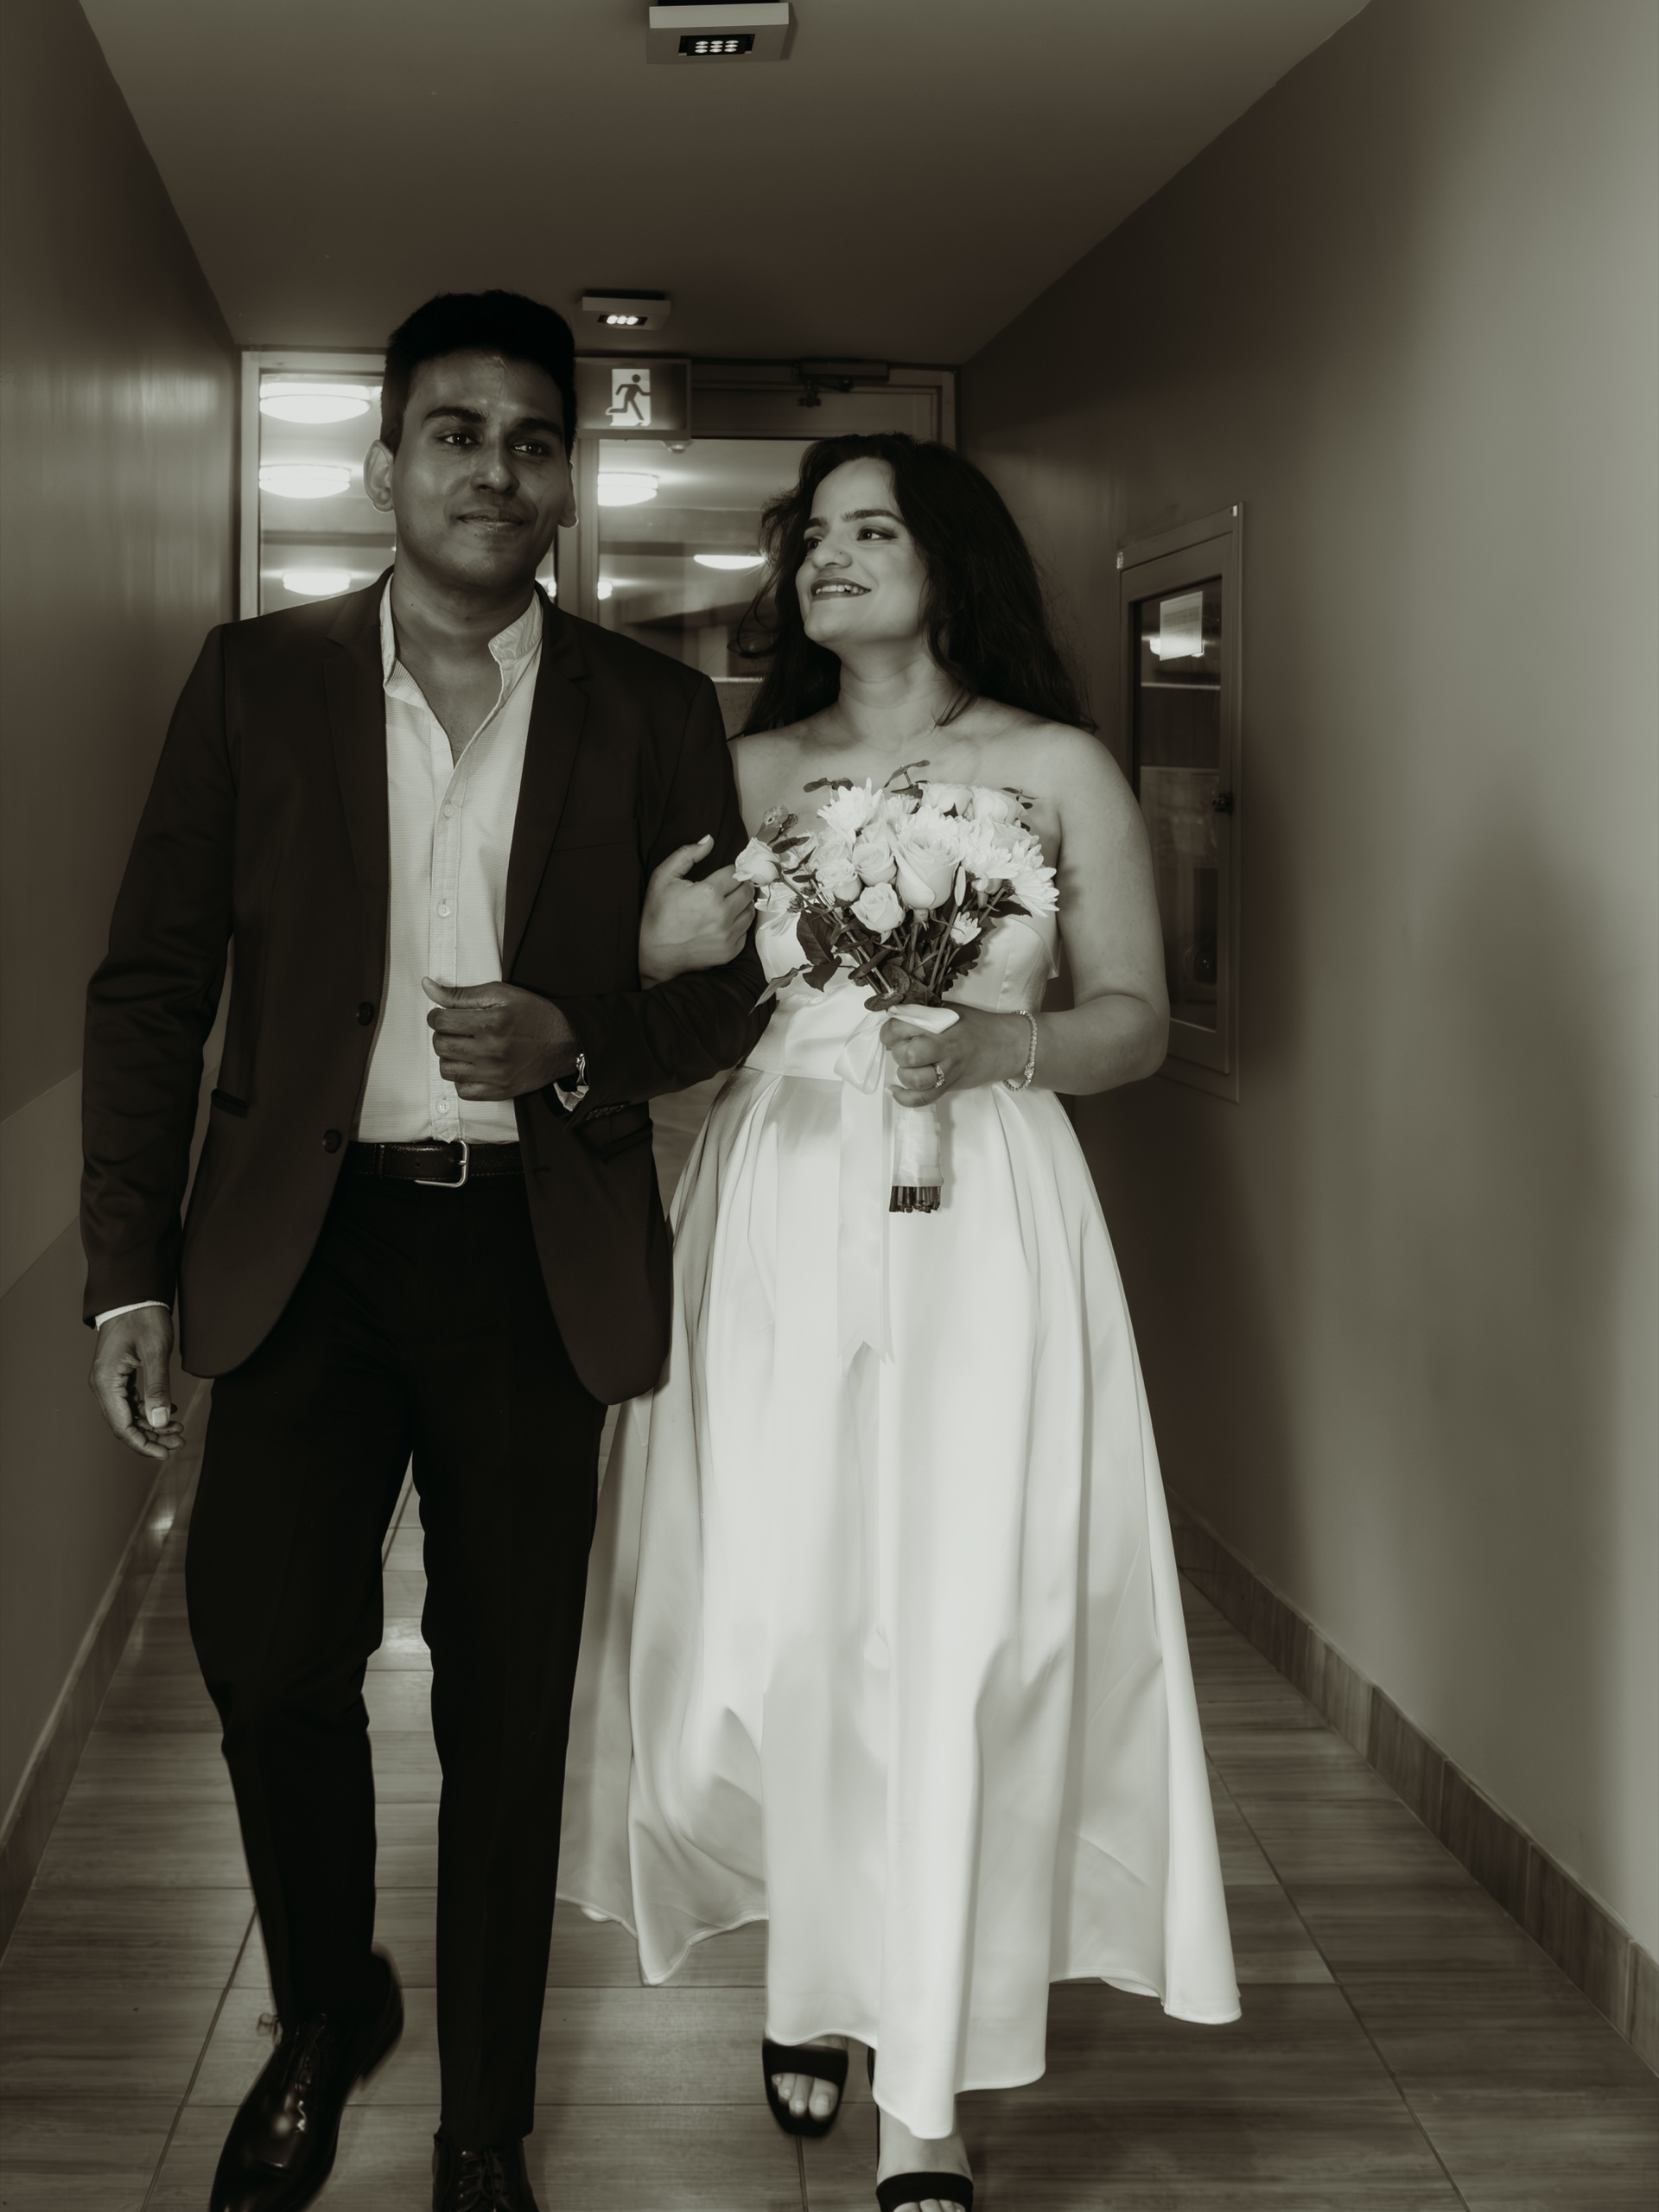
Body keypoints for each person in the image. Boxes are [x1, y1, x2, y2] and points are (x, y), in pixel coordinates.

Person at [80, 289, 763, 2212]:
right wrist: (128, 1267)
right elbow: (152, 984)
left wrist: (579, 1045)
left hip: (531, 1255)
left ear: (569, 481)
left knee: (506, 1702)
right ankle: (324, 2010)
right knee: (265, 1659)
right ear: (383, 463)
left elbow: (726, 997)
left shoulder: (653, 711)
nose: (493, 467)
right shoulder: (253, 681)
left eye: (532, 438)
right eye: (454, 431)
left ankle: (486, 2126)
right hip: (304, 1252)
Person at [560, 434, 1242, 2212]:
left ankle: (923, 2097)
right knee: (787, 1607)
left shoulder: (1057, 767)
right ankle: (813, 1968)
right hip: (784, 1206)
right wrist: (653, 954)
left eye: (874, 528)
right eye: (814, 533)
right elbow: (670, 1008)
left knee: (965, 1617)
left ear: (952, 560)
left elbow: (1136, 1019)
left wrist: (1007, 1042)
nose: (830, 556)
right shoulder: (744, 767)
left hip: (986, 1219)